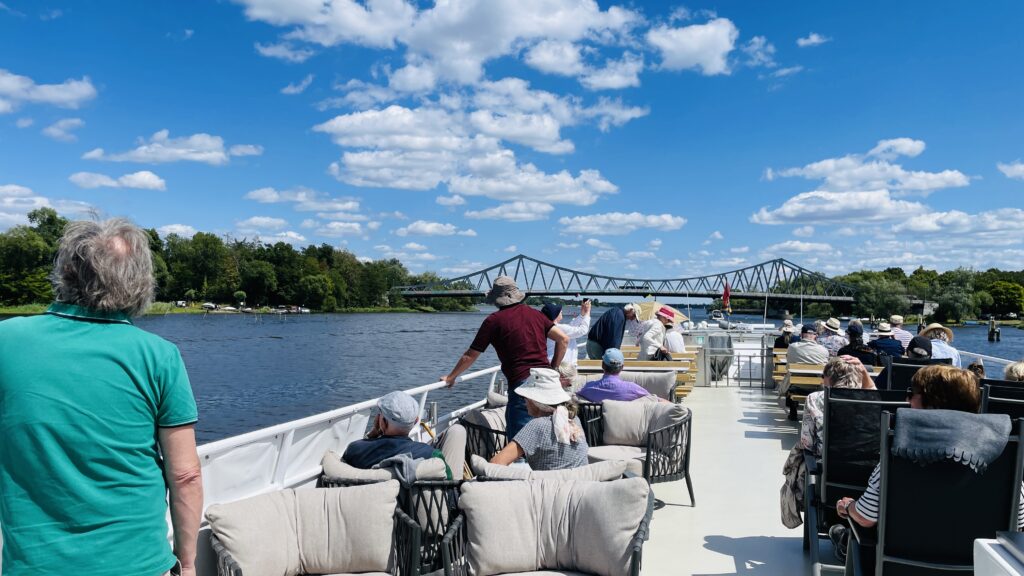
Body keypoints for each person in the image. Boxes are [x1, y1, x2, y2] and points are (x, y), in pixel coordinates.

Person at [0, 219, 203, 576]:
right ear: (140, 282)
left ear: (65, 271)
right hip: (139, 564)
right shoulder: (160, 356)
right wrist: (186, 563)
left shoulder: (6, 341)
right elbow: (185, 475)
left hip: (37, 567)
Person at [835, 365, 1024, 537]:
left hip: (905, 556)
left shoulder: (900, 444)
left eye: (911, 393)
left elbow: (866, 517)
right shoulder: (1002, 447)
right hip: (980, 560)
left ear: (933, 401)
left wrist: (848, 506)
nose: (907, 399)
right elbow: (1018, 523)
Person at [443, 276, 569, 440]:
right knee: (551, 435)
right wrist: (553, 368)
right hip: (548, 382)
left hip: (524, 385)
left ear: (497, 299)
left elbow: (470, 355)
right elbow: (563, 339)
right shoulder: (536, 315)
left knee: (520, 441)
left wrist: (451, 377)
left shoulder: (493, 321)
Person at [490, 368, 588, 471]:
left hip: (549, 481)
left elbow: (495, 464)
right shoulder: (574, 420)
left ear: (534, 401)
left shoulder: (537, 426)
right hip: (579, 480)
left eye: (525, 397)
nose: (524, 401)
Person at [799, 357, 874, 457]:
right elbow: (872, 389)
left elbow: (807, 443)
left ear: (829, 377)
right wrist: (864, 371)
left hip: (825, 460)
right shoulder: (870, 399)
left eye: (823, 376)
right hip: (866, 461)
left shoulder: (814, 399)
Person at [343, 391, 440, 469]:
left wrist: (372, 434)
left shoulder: (355, 450)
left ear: (382, 421)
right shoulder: (431, 455)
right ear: (416, 421)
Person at [576, 348, 666, 403]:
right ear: (622, 367)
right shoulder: (633, 389)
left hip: (594, 428)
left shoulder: (589, 388)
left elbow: (575, 396)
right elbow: (654, 400)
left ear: (602, 365)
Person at [779, 324, 831, 402]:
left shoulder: (792, 347)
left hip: (795, 384)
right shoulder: (823, 350)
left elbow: (788, 364)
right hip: (816, 386)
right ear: (815, 335)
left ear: (801, 334)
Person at [542, 300, 591, 366]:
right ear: (555, 315)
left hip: (551, 361)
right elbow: (583, 330)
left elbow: (571, 327)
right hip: (564, 365)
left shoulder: (548, 327)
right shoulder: (559, 328)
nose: (561, 311)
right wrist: (587, 312)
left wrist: (582, 314)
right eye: (559, 311)